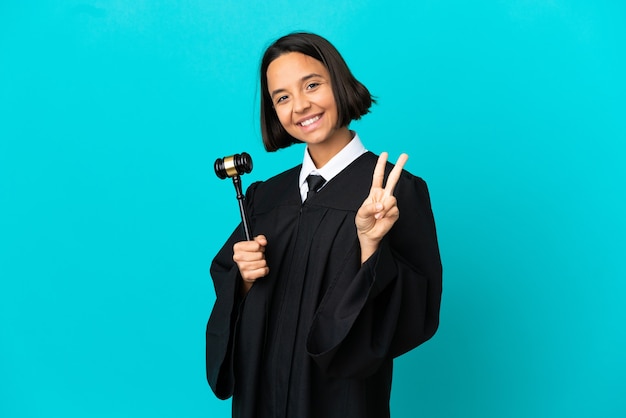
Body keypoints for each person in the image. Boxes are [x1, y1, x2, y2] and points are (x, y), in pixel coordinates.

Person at [206, 32, 442, 418]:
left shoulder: (394, 191)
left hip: (339, 403)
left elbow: (417, 312)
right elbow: (230, 291)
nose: (300, 106)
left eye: (312, 84)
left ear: (339, 81)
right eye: (282, 97)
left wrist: (369, 250)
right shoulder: (265, 197)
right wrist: (243, 279)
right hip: (260, 399)